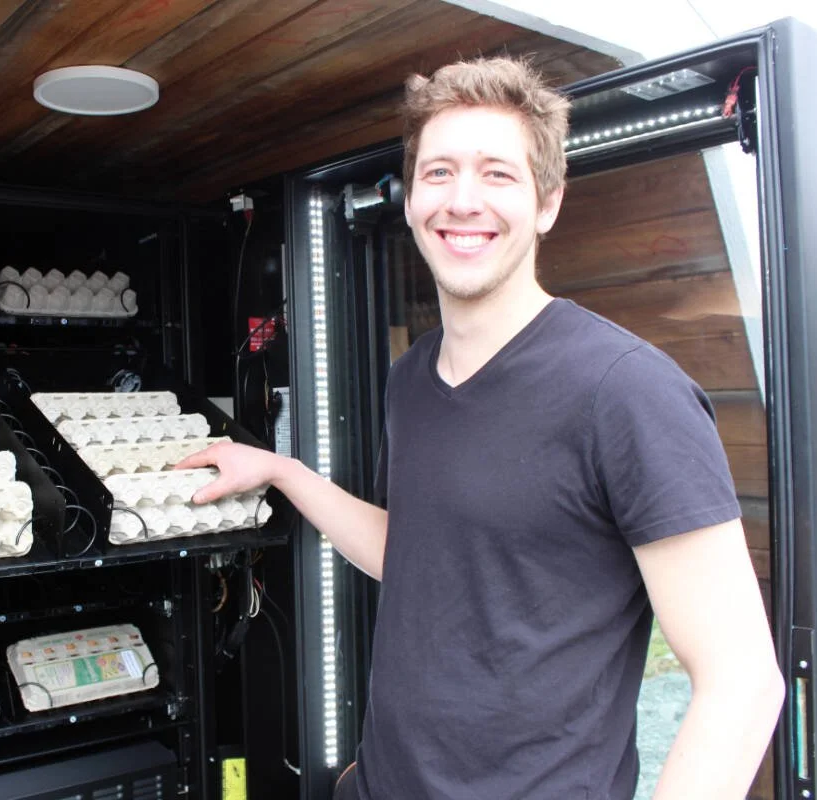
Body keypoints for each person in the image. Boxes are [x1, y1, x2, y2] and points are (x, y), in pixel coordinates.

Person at [177, 57, 783, 799]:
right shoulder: (411, 379)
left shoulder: (627, 390)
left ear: (547, 203)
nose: (463, 201)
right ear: (411, 200)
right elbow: (417, 554)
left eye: (497, 174)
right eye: (439, 173)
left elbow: (741, 681)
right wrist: (281, 470)